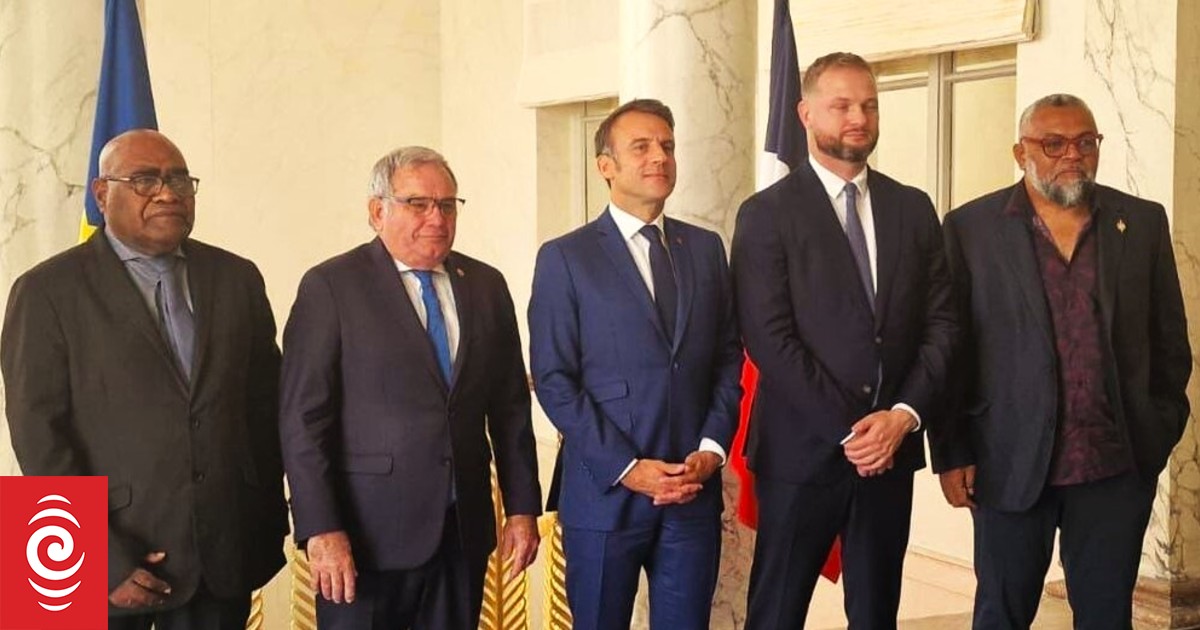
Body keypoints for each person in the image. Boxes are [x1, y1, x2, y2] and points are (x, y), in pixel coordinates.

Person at [1, 129, 288, 629]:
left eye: (180, 179)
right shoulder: (45, 291)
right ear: (101, 194)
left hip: (223, 559)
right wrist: (96, 558)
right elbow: (38, 435)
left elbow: (264, 411)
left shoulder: (237, 278)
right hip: (101, 562)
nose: (167, 192)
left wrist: (264, 527)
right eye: (144, 179)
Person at [933, 93, 1191, 628]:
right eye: (1053, 143)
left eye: (1085, 142)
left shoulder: (1140, 222)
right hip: (1007, 465)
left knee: (1104, 616)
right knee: (1001, 613)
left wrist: (1158, 430)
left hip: (1114, 469)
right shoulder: (970, 229)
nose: (1071, 154)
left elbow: (1170, 341)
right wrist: (952, 449)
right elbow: (951, 350)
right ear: (1020, 151)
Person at [731, 52, 957, 629]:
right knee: (776, 614)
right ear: (805, 114)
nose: (859, 116)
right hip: (801, 455)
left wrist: (901, 417)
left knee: (877, 613)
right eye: (842, 105)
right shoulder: (766, 214)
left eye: (870, 104)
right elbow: (769, 338)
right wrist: (855, 431)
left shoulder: (913, 208)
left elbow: (942, 323)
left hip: (891, 451)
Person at [279, 146, 542, 630]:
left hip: (461, 534)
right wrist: (320, 529)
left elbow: (509, 408)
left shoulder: (485, 285)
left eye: (447, 204)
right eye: (417, 204)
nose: (436, 218)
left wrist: (522, 507)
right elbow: (302, 422)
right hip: (364, 538)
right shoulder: (332, 287)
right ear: (378, 211)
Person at [528, 98, 742, 629]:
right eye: (641, 147)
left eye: (667, 146)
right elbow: (554, 379)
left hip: (691, 490)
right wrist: (628, 469)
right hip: (605, 495)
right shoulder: (566, 257)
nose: (659, 158)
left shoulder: (706, 249)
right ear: (606, 166)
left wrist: (712, 450)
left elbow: (727, 358)